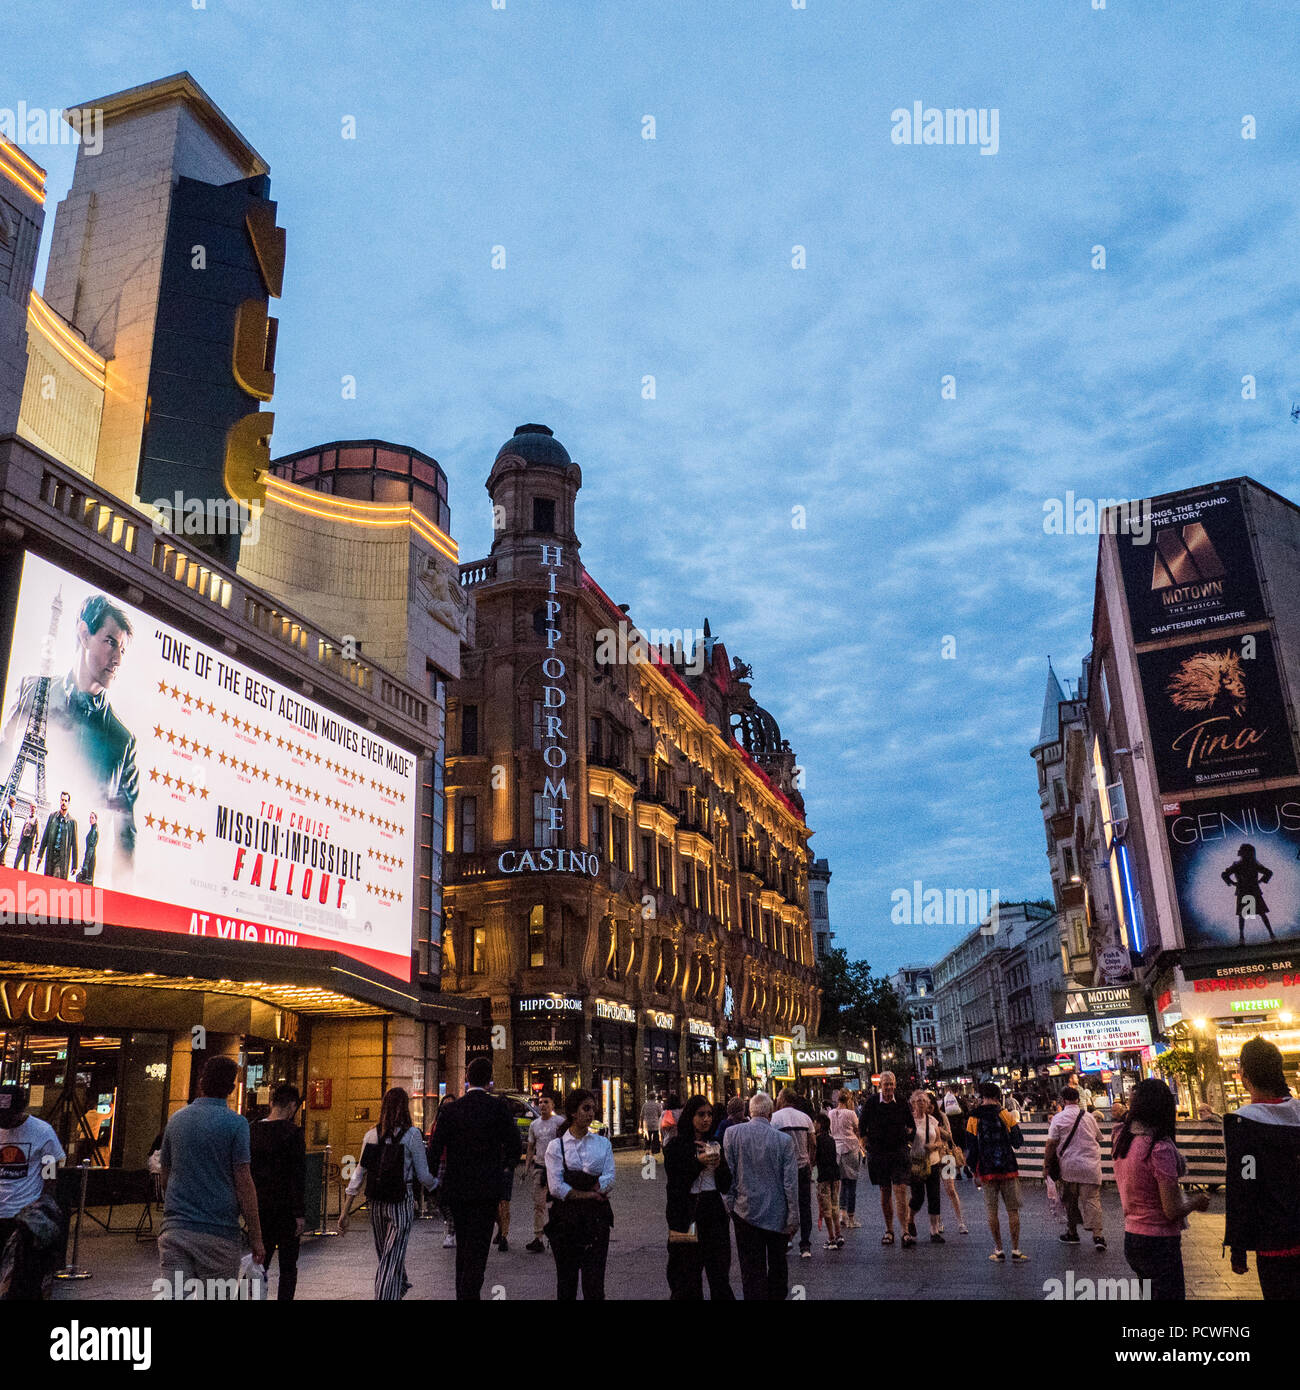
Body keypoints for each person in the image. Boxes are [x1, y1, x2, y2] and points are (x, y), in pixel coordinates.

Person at [0, 593, 139, 874]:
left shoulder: (123, 741)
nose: (117, 659)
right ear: (84, 633)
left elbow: (125, 839)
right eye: (110, 642)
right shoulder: (32, 689)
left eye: (123, 650)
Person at [158, 1056, 264, 1290]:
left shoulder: (176, 1120)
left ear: (201, 1082)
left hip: (176, 1230)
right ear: (231, 1088)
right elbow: (244, 1184)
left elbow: (165, 1175)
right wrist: (256, 1238)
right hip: (219, 1233)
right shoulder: (237, 1125)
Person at [427, 1057, 523, 1300]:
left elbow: (434, 1149)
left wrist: (432, 1183)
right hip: (486, 1188)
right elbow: (514, 1143)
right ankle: (470, 1293)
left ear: (467, 1078)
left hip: (457, 1189)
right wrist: (506, 1167)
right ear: (489, 1080)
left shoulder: (450, 1110)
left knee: (463, 1243)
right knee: (478, 1248)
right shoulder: (498, 1108)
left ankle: (463, 1292)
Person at [1112, 1078, 1209, 1300]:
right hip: (1159, 1242)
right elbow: (1171, 1210)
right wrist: (1196, 1202)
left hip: (1132, 1237)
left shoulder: (1121, 1139)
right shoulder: (1159, 1149)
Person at [339, 1086, 437, 1299]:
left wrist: (345, 1211)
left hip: (376, 1202)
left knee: (386, 1255)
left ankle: (399, 1285)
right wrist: (437, 1186)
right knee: (391, 1258)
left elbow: (358, 1174)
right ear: (405, 1107)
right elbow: (423, 1175)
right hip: (401, 1201)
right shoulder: (412, 1135)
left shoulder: (371, 1135)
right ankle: (388, 1294)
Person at [1224, 1037, 1300, 1300]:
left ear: (1245, 1074)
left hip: (1274, 1241)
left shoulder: (1245, 1123)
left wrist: (1238, 1246)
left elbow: (1243, 1187)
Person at [722, 1092, 798, 1300]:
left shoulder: (732, 1134)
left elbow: (729, 1173)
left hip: (744, 1211)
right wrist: (793, 1217)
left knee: (751, 1269)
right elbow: (790, 1183)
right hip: (777, 1213)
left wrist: (730, 1204)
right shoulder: (784, 1141)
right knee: (778, 1266)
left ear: (749, 1111)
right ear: (770, 1114)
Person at [545, 1088, 615, 1300]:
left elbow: (610, 1177)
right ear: (573, 1112)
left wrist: (584, 1189)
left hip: (596, 1221)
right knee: (566, 1281)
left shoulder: (603, 1144)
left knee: (594, 1282)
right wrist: (591, 1193)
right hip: (567, 1222)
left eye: (593, 1108)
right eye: (586, 1108)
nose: (591, 1113)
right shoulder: (556, 1147)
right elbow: (556, 1187)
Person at [664, 1094, 734, 1299]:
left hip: (713, 1211)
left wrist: (719, 1164)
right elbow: (677, 1183)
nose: (706, 1119)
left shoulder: (715, 1143)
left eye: (710, 1114)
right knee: (686, 1276)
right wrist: (699, 1162)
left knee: (719, 1274)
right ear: (690, 1116)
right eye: (700, 1114)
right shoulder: (676, 1146)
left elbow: (725, 1185)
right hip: (685, 1214)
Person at [0, 1083, 64, 1300]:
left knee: (21, 1279)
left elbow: (50, 1175)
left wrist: (40, 1209)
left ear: (20, 1111)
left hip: (24, 1216)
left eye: (8, 1116)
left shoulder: (42, 1132)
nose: (4, 1121)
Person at [248, 1082, 306, 1300]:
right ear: (292, 1106)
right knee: (288, 1267)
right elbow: (298, 1175)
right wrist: (299, 1213)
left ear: (272, 1103)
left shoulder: (252, 1129)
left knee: (259, 1260)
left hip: (260, 1206)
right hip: (286, 1210)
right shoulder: (293, 1133)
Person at [964, 1081, 1028, 1262]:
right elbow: (1018, 1141)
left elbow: (971, 1149)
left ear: (981, 1097)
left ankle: (999, 1250)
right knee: (1013, 1210)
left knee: (992, 1211)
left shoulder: (973, 1118)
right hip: (1008, 1168)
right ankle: (1016, 1249)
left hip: (986, 1171)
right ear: (997, 1096)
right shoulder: (1005, 1115)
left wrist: (973, 1170)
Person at [1045, 1084, 1105, 1251]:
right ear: (1078, 1099)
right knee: (1092, 1200)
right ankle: (1098, 1236)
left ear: (1063, 1100)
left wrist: (1046, 1165)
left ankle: (1072, 1232)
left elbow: (1051, 1144)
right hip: (1090, 1166)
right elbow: (1099, 1137)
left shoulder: (1058, 1118)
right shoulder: (1089, 1117)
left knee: (1070, 1201)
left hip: (1069, 1167)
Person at [860, 1071, 915, 1246]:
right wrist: (867, 1146)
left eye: (891, 1084)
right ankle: (889, 1229)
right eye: (886, 1084)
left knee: (900, 1190)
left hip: (899, 1152)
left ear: (895, 1085)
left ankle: (904, 1231)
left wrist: (908, 1144)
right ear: (880, 1086)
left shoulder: (901, 1103)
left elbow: (911, 1126)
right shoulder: (872, 1103)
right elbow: (862, 1126)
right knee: (885, 1192)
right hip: (879, 1153)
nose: (889, 1087)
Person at [771, 1086, 815, 1259]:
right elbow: (813, 1143)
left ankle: (786, 1239)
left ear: (781, 1099)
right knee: (805, 1206)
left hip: (782, 1169)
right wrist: (811, 1161)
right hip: (803, 1167)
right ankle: (805, 1245)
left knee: (784, 1205)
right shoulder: (805, 1118)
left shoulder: (774, 1119)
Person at [524, 1094, 563, 1253]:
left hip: (556, 1169)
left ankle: (558, 1237)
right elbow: (530, 1147)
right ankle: (538, 1237)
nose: (542, 1105)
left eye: (546, 1102)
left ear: (552, 1104)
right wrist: (527, 1168)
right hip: (540, 1168)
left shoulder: (559, 1122)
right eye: (540, 1102)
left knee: (557, 1204)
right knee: (538, 1204)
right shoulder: (534, 1125)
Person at [906, 1089, 944, 1245]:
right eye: (917, 1100)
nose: (921, 1103)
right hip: (916, 1164)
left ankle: (934, 1230)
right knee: (918, 1197)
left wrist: (934, 1146)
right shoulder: (909, 1122)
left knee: (934, 1196)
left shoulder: (933, 1120)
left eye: (923, 1100)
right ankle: (910, 1218)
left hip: (933, 1162)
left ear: (928, 1103)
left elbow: (940, 1142)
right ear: (913, 1103)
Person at [927, 1093, 968, 1235]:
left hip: (946, 1156)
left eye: (931, 1106)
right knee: (934, 1192)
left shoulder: (942, 1116)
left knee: (951, 1189)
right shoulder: (922, 1119)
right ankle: (938, 1222)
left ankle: (961, 1221)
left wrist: (937, 1127)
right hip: (930, 1158)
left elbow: (949, 1135)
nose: (929, 1109)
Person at [1221, 843, 1276, 943]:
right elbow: (1268, 872)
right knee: (1258, 914)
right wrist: (1260, 881)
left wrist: (1233, 883)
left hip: (1245, 891)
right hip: (1251, 891)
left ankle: (1243, 939)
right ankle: (1271, 936)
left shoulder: (1240, 865)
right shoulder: (1251, 864)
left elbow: (1224, 874)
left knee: (1245, 915)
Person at [829, 1090, 862, 1229]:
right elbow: (858, 1129)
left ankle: (841, 1213)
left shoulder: (831, 1113)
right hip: (851, 1148)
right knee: (852, 1184)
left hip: (837, 1149)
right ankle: (851, 1217)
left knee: (842, 1183)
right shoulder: (851, 1113)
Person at [813, 1113, 842, 1250]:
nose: (814, 1125)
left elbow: (814, 1159)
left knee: (826, 1208)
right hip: (835, 1175)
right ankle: (838, 1234)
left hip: (823, 1176)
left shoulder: (817, 1140)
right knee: (835, 1205)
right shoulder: (831, 1139)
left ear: (820, 1124)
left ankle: (831, 1238)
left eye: (815, 1122)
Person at [36, 791, 78, 880]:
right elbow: (45, 836)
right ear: (60, 801)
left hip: (61, 858)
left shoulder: (72, 822)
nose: (63, 802)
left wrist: (75, 865)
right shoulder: (52, 816)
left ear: (69, 803)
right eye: (62, 800)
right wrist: (40, 855)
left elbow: (74, 845)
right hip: (51, 854)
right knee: (48, 880)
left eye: (66, 801)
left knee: (56, 879)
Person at [75, 811, 98, 885]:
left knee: (83, 880)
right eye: (90, 817)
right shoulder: (93, 829)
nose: (90, 819)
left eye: (92, 818)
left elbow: (90, 849)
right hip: (90, 859)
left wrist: (85, 864)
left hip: (90, 860)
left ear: (96, 819)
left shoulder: (94, 831)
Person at [12, 806, 38, 872]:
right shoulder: (27, 817)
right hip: (23, 840)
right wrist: (20, 841)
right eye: (32, 807)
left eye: (34, 807)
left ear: (36, 809)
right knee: (17, 860)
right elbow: (23, 829)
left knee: (26, 864)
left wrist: (35, 846)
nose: (33, 809)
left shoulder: (37, 819)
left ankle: (23, 881)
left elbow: (38, 833)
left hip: (29, 842)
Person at [0, 796, 13, 866]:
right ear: (11, 802)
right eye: (14, 803)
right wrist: (5, 831)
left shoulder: (10, 809)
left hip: (7, 832)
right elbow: (3, 820)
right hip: (5, 832)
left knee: (4, 847)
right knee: (3, 847)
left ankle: (2, 860)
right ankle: (1, 861)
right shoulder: (6, 808)